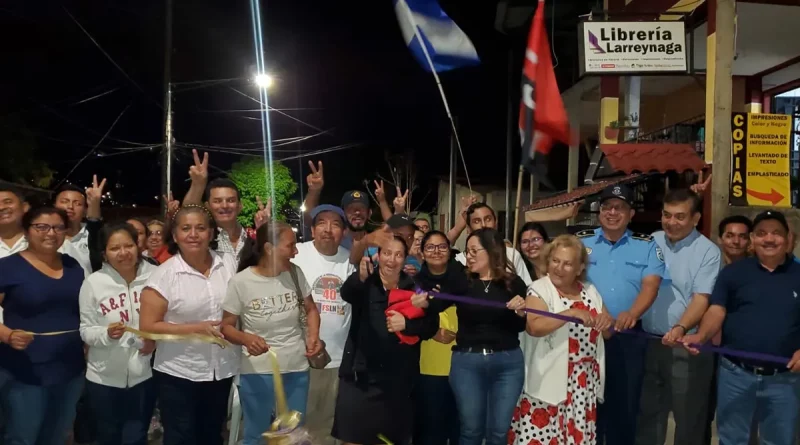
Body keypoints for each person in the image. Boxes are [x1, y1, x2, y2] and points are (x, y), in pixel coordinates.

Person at [681, 210, 800, 445]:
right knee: (732, 439)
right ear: (753, 240)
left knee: (779, 441)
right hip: (735, 374)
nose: (769, 239)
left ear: (788, 239)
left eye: (776, 233)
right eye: (762, 233)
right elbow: (717, 310)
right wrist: (701, 336)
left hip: (785, 379)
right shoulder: (733, 273)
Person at [414, 228, 527, 445]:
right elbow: (436, 304)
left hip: (508, 364)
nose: (469, 256)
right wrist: (424, 302)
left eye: (475, 250)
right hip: (467, 364)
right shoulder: (461, 280)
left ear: (492, 251)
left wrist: (520, 311)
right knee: (471, 430)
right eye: (467, 251)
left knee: (499, 431)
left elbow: (519, 327)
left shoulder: (514, 283)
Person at [138, 205, 240, 445]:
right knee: (181, 437)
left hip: (221, 369)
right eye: (186, 229)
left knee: (212, 434)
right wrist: (195, 328)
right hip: (179, 372)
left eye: (200, 228)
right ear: (174, 236)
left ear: (212, 233)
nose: (193, 234)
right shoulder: (164, 274)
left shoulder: (229, 264)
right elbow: (148, 326)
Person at [576, 184, 664, 445]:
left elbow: (651, 285)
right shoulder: (580, 243)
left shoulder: (647, 245)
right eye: (607, 207)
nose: (612, 212)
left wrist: (632, 313)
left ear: (630, 214)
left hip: (628, 336)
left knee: (624, 406)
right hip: (586, 336)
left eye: (619, 207)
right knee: (585, 404)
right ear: (599, 212)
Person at [222, 221, 321, 445]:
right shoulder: (241, 282)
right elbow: (226, 326)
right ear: (269, 248)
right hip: (258, 370)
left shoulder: (295, 273)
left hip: (296, 367)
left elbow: (311, 309)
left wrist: (313, 335)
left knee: (293, 435)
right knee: (258, 433)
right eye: (290, 246)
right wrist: (246, 338)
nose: (295, 252)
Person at [333, 236, 437, 445]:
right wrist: (360, 277)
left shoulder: (415, 286)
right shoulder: (366, 281)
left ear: (405, 258)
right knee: (353, 439)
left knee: (390, 440)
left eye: (398, 254)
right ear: (378, 255)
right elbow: (347, 293)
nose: (392, 260)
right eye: (387, 253)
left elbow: (430, 328)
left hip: (398, 380)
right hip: (360, 376)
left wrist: (407, 324)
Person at [637, 189, 720, 445]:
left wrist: (681, 327)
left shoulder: (708, 251)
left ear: (695, 219)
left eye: (680, 216)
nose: (671, 222)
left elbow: (701, 298)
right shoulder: (652, 240)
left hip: (685, 347)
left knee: (688, 421)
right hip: (647, 342)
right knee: (648, 417)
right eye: (667, 215)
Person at [512, 234, 613, 445]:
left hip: (582, 386)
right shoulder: (539, 288)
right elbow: (534, 327)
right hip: (547, 382)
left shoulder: (591, 291)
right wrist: (568, 314)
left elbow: (607, 332)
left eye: (568, 264)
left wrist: (606, 320)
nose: (559, 268)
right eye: (555, 261)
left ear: (579, 269)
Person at [0, 206, 86, 444]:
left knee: (57, 435)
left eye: (58, 227)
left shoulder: (73, 267)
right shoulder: (7, 267)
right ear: (27, 231)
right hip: (24, 370)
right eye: (41, 227)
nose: (51, 233)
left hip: (70, 369)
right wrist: (7, 334)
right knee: (22, 436)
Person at [79, 223, 158, 445]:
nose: (123, 253)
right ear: (104, 253)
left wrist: (155, 340)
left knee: (136, 436)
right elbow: (85, 330)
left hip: (144, 375)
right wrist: (106, 333)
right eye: (115, 248)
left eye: (128, 245)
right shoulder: (93, 283)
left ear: (138, 246)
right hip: (103, 377)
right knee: (107, 436)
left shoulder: (156, 277)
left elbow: (167, 320)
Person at [291, 205, 355, 445]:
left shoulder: (352, 260)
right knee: (293, 424)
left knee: (326, 426)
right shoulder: (296, 253)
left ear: (344, 232)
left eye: (336, 224)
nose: (328, 229)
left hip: (335, 358)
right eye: (322, 223)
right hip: (297, 355)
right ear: (312, 228)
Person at [413, 230, 467, 445]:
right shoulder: (414, 282)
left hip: (464, 367)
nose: (436, 251)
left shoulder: (465, 280)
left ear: (450, 250)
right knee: (430, 431)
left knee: (460, 429)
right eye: (430, 247)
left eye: (442, 246)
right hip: (428, 367)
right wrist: (432, 331)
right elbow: (406, 321)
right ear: (422, 253)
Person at [452, 203, 532, 286]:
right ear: (468, 228)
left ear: (495, 222)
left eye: (488, 219)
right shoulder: (460, 260)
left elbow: (527, 290)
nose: (483, 225)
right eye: (476, 221)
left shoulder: (512, 254)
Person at [53, 184, 93, 277]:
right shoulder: (45, 235)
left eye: (77, 203)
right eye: (64, 201)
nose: (70, 206)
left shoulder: (93, 235)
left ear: (85, 211)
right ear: (54, 207)